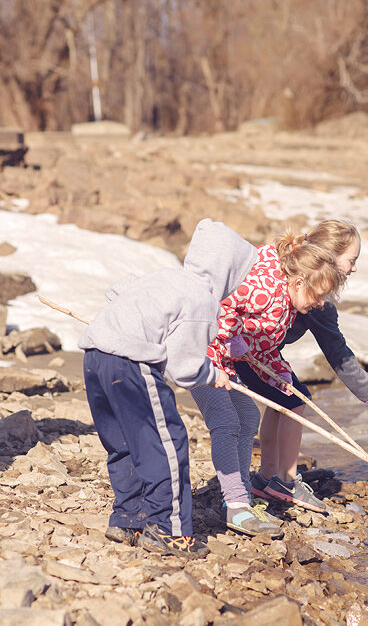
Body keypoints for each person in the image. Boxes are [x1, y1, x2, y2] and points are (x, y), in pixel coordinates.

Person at [78, 219, 258, 557]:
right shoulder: (201, 300)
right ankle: (169, 530)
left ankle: (129, 518)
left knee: (124, 443)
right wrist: (211, 374)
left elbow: (119, 288)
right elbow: (183, 367)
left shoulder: (166, 277)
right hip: (132, 363)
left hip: (94, 355)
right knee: (167, 445)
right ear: (227, 273)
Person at [191, 229, 346, 536]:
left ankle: (243, 496)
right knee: (227, 420)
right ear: (299, 282)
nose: (320, 303)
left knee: (248, 415)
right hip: (202, 352)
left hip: (227, 359)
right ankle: (235, 507)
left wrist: (281, 376)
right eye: (318, 295)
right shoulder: (267, 286)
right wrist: (230, 337)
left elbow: (263, 347)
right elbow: (223, 303)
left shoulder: (287, 306)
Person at [234, 220, 368, 513]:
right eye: (351, 260)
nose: (354, 268)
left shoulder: (299, 277)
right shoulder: (314, 300)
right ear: (327, 259)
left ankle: (268, 476)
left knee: (283, 399)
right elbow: (338, 353)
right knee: (295, 399)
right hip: (248, 350)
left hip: (260, 352)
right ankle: (285, 480)